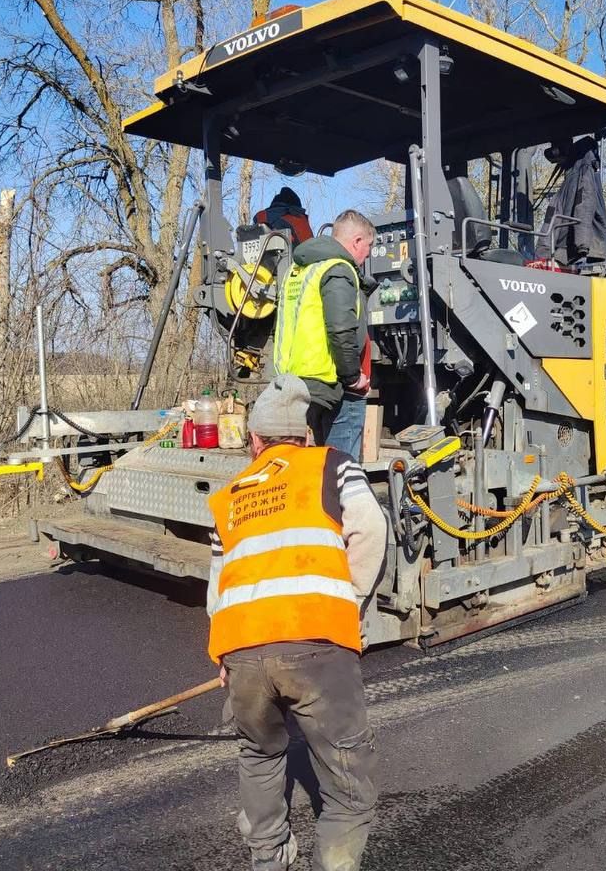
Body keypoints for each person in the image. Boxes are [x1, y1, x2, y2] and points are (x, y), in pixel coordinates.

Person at [207, 374, 387, 871]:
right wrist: (347, 601)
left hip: (243, 651)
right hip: (317, 645)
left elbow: (218, 585)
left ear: (255, 442)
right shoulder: (330, 466)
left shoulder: (231, 496)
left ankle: (269, 860)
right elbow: (371, 530)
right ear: (306, 437)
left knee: (260, 755)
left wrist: (225, 655)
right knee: (350, 791)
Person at [272, 209, 377, 447]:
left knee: (317, 469)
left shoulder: (298, 270)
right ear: (357, 241)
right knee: (339, 472)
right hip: (333, 386)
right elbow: (341, 328)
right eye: (368, 246)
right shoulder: (339, 269)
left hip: (296, 383)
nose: (368, 254)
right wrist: (352, 377)